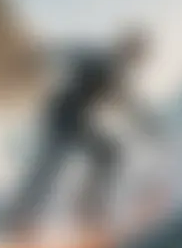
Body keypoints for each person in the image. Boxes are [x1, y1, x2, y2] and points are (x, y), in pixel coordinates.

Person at [9, 28, 158, 233]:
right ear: (124, 47)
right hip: (62, 117)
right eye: (134, 53)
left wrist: (149, 127)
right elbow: (65, 52)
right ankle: (21, 219)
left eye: (138, 57)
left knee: (109, 154)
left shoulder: (119, 77)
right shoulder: (97, 58)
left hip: (79, 122)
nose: (135, 60)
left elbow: (129, 106)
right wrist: (35, 53)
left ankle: (86, 206)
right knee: (50, 169)